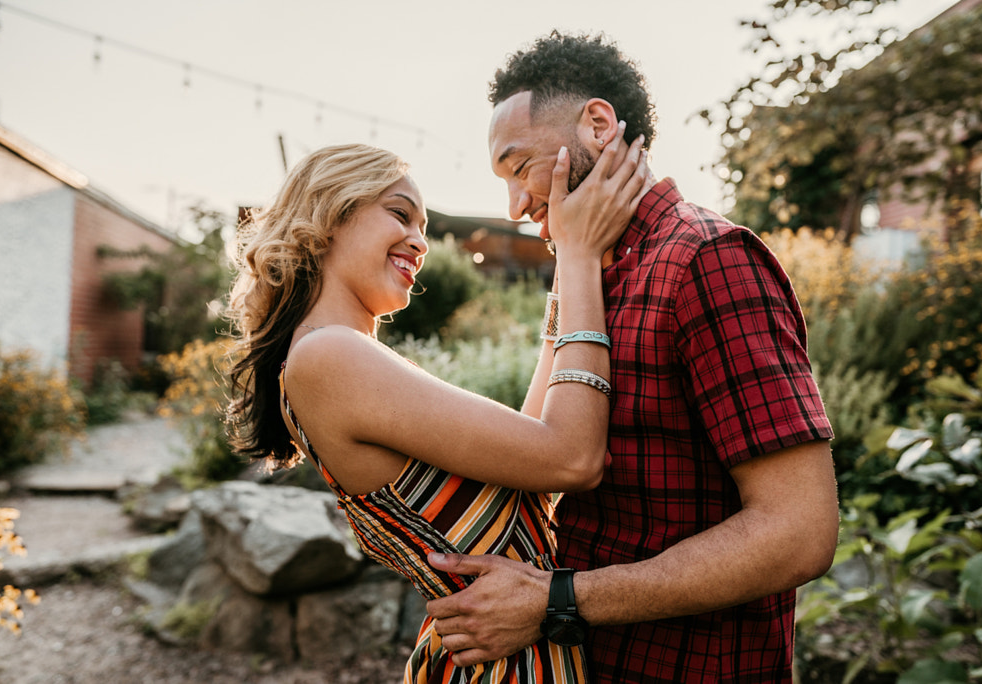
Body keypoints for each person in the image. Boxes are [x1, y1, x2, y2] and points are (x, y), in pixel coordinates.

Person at [425, 32, 840, 683]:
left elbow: (800, 530)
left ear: (597, 124)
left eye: (519, 166)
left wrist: (557, 601)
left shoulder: (708, 260)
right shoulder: (590, 275)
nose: (515, 206)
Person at [224, 139, 648, 683]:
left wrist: (566, 275)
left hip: (500, 650)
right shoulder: (328, 355)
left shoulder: (331, 357)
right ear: (328, 215)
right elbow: (572, 458)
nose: (419, 241)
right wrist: (582, 257)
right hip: (503, 667)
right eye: (400, 214)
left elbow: (535, 467)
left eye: (423, 225)